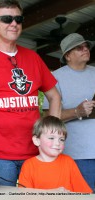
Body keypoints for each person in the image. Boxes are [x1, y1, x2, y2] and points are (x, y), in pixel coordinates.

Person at [0, 0, 61, 186]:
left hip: (35, 154)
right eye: (7, 19)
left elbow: (54, 96)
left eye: (18, 19)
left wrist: (51, 133)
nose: (13, 23)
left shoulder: (33, 58)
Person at [42, 33, 95, 190]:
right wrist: (76, 112)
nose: (85, 49)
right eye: (79, 47)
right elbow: (47, 118)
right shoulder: (55, 78)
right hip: (77, 155)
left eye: (87, 46)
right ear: (67, 56)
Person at [18, 116, 92, 193]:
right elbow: (25, 196)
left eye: (61, 139)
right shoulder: (28, 165)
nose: (57, 143)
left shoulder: (68, 162)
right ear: (37, 140)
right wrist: (52, 193)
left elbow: (85, 194)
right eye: (51, 138)